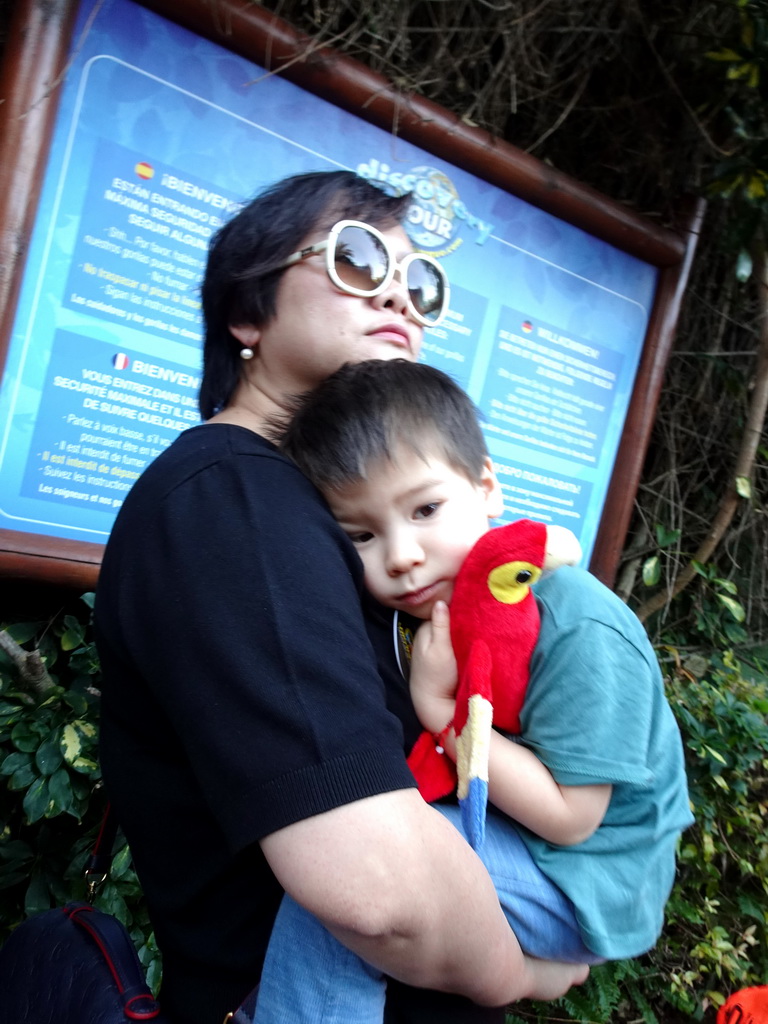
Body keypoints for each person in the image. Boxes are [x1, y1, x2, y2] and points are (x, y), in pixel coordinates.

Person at [93, 170, 588, 1024]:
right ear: (247, 316)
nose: (399, 290)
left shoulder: (302, 507)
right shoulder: (236, 499)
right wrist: (523, 971)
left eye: (418, 279)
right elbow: (376, 888)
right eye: (355, 258)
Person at [252, 357, 695, 1023]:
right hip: (513, 836)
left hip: (586, 878)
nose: (401, 555)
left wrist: (437, 710)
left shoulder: (573, 622)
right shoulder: (430, 613)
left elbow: (572, 816)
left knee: (360, 877)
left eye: (426, 509)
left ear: (487, 486)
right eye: (362, 535)